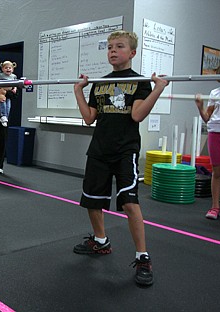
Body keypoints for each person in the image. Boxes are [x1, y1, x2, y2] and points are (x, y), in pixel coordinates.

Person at [72, 31, 169, 286]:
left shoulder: (139, 81)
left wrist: (157, 89)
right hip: (99, 150)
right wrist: (78, 91)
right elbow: (89, 117)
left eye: (119, 47)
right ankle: (101, 241)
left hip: (125, 150)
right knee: (92, 200)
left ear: (132, 53)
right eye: (110, 47)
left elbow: (137, 115)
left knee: (129, 203)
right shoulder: (100, 83)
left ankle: (143, 256)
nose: (113, 51)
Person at [195, 58, 220, 223]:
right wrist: (200, 105)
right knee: (217, 172)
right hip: (215, 132)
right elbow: (207, 118)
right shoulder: (215, 92)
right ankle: (214, 207)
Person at [0, 61, 17, 127]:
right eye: (6, 68)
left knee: (8, 106)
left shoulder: (13, 76)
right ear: (2, 69)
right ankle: (3, 116)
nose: (8, 69)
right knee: (3, 104)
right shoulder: (0, 75)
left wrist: (14, 88)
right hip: (2, 92)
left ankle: (5, 117)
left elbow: (16, 83)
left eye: (10, 68)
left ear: (12, 69)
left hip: (9, 93)